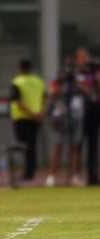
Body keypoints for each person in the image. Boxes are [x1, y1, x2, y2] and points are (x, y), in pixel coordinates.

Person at [45, 53, 86, 187]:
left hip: (76, 115)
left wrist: (75, 81)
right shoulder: (58, 78)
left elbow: (86, 91)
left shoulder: (79, 77)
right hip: (61, 114)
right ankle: (52, 176)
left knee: (75, 146)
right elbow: (52, 94)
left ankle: (74, 176)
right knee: (58, 145)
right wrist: (61, 82)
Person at [9, 59, 47, 180]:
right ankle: (31, 171)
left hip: (22, 118)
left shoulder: (17, 82)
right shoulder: (38, 81)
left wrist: (31, 114)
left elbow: (18, 102)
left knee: (23, 146)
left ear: (20, 69)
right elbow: (45, 98)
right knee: (32, 145)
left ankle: (26, 173)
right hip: (36, 118)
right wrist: (41, 113)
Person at [75, 48, 100, 186]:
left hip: (93, 110)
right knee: (77, 144)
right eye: (82, 56)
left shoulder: (93, 72)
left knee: (93, 145)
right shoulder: (75, 73)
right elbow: (79, 88)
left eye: (87, 56)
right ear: (77, 59)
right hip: (78, 112)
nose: (85, 59)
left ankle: (92, 175)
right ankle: (76, 175)